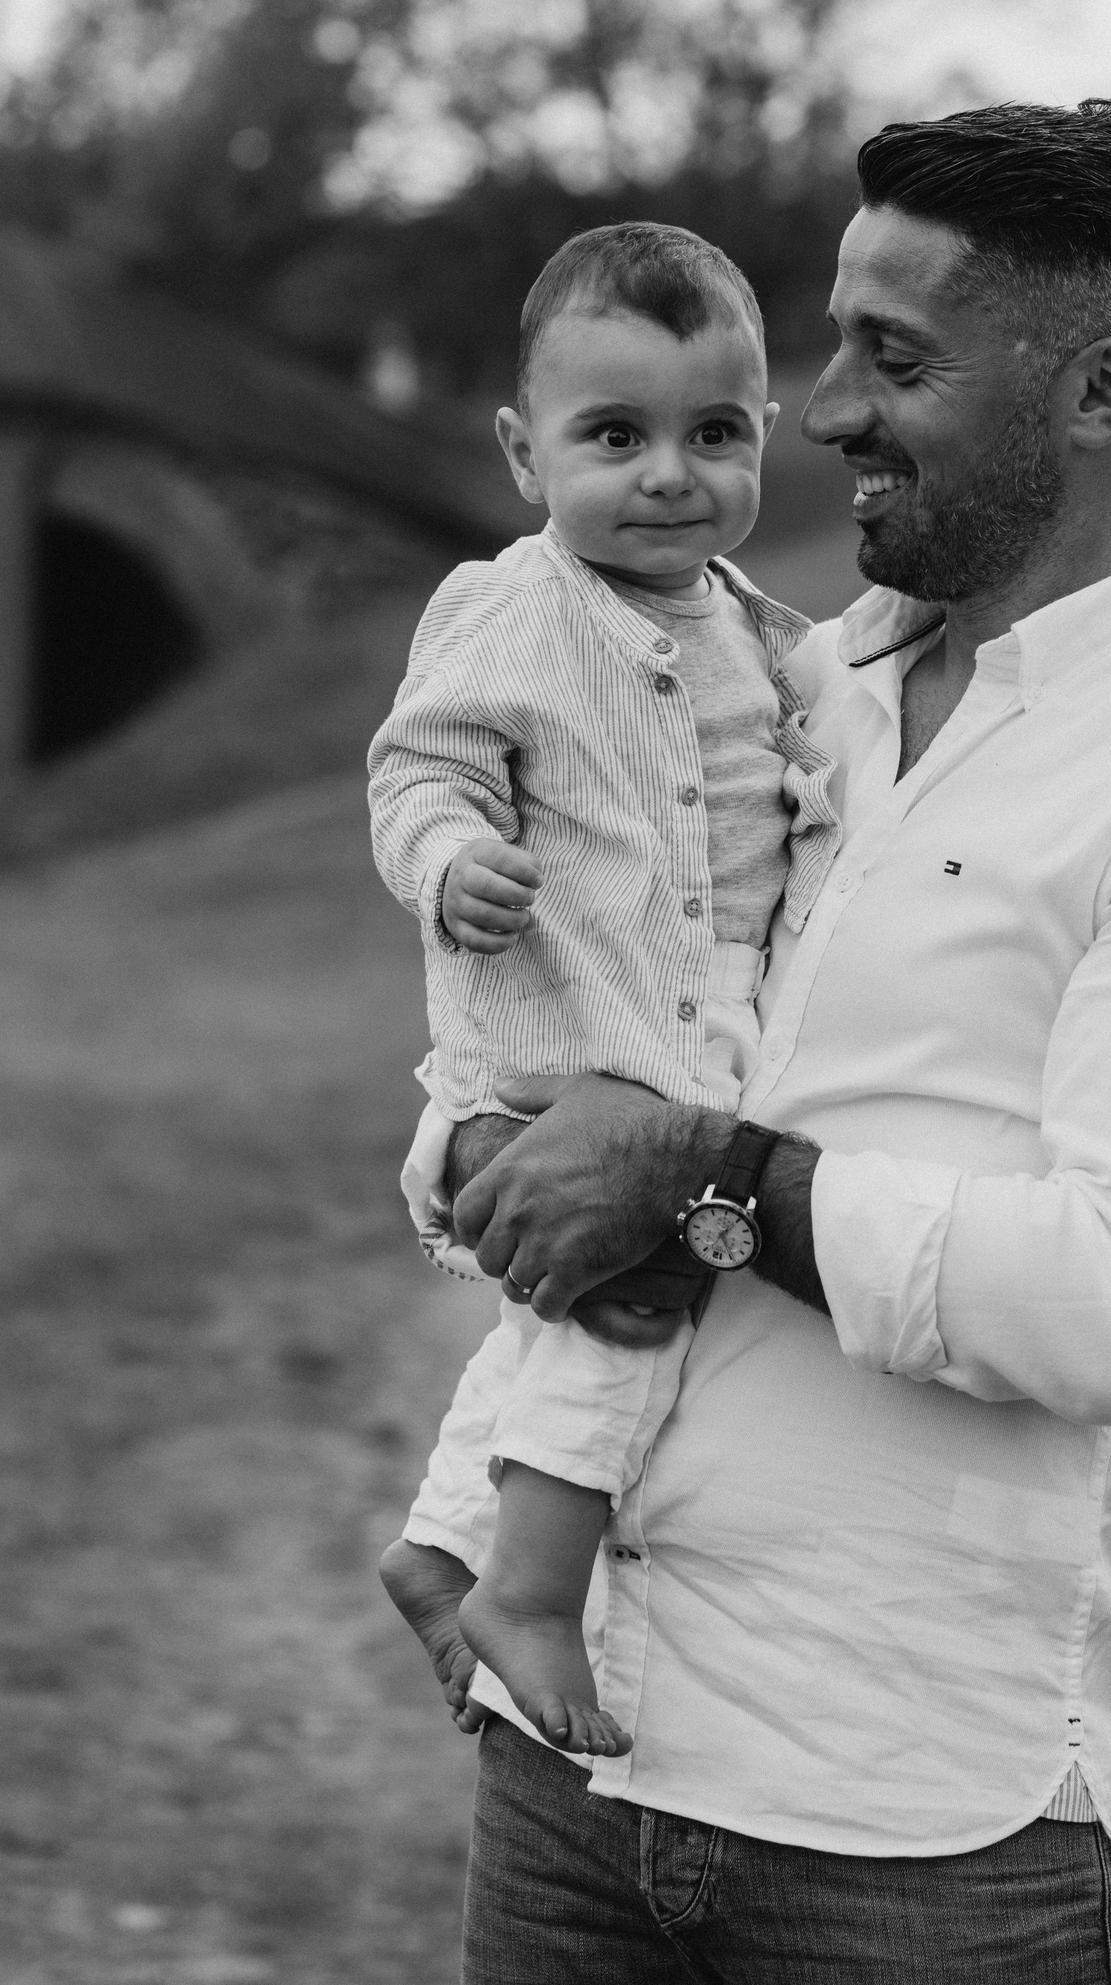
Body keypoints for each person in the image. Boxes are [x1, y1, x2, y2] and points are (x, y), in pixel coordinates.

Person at [394, 99, 1111, 1984]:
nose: (828, 407)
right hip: (581, 1755)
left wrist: (701, 1182)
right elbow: (576, 1046)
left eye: (898, 357)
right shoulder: (783, 686)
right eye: (835, 341)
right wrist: (468, 1153)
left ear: (1099, 389)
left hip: (931, 1837)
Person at [370, 222, 837, 1758]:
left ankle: (444, 1545)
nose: (669, 476)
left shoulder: (757, 628)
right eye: (616, 437)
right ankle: (528, 1591)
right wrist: (450, 862)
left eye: (715, 434)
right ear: (526, 453)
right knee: (642, 1300)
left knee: (563, 1318)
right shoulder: (515, 604)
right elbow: (422, 765)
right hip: (569, 1037)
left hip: (685, 1033)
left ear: (763, 432)